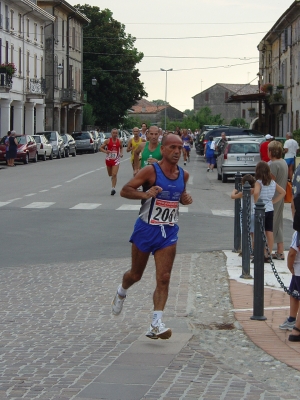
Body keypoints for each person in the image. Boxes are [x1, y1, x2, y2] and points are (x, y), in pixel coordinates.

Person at [111, 133, 193, 340]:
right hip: (146, 229)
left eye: (179, 148)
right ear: (163, 149)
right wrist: (145, 194)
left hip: (168, 231)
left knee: (164, 278)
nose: (176, 151)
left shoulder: (183, 175)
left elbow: (178, 198)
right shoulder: (151, 171)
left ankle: (156, 323)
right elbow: (125, 190)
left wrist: (185, 199)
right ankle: (122, 290)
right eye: (172, 147)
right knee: (135, 275)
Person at [253, 161, 286, 262]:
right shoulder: (272, 182)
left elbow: (256, 192)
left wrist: (256, 201)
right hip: (270, 208)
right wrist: (273, 201)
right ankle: (269, 253)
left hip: (261, 209)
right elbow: (283, 192)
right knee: (269, 232)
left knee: (259, 232)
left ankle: (260, 252)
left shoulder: (258, 182)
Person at [268, 140, 288, 260]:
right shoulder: (283, 162)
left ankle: (267, 250)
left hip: (273, 196)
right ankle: (280, 250)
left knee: (271, 224)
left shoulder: (274, 165)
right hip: (281, 196)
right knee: (278, 222)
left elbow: (269, 180)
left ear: (271, 152)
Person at [279, 231, 300, 332]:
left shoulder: (297, 233)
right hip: (297, 271)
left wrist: (290, 266)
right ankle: (292, 319)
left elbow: (292, 253)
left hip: (298, 270)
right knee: (294, 293)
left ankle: (294, 323)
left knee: (295, 294)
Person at [231, 174, 256, 252]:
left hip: (245, 214)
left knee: (246, 232)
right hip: (254, 213)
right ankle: (253, 249)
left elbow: (233, 196)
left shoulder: (244, 192)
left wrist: (234, 191)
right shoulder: (255, 190)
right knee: (253, 233)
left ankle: (246, 250)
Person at [100, 128, 123, 195]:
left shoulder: (119, 141)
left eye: (116, 133)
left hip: (116, 160)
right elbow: (100, 148)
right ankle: (113, 179)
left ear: (117, 134)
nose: (115, 134)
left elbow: (121, 148)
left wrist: (121, 153)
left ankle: (113, 188)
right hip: (109, 159)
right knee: (110, 174)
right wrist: (106, 151)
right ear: (111, 134)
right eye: (114, 133)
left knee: (114, 174)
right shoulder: (107, 141)